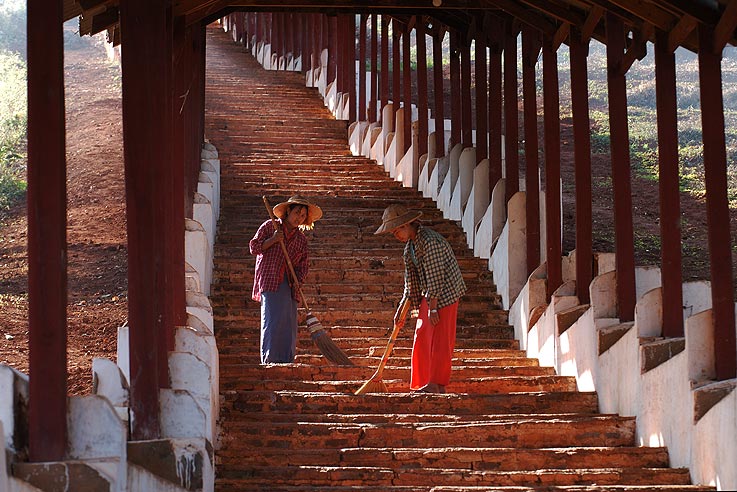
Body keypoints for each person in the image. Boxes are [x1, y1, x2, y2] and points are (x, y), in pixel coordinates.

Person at [375, 204, 466, 393]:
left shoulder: (431, 242)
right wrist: (402, 308)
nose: (396, 235)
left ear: (408, 224)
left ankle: (436, 384)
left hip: (447, 292)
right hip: (430, 293)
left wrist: (433, 308)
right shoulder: (409, 249)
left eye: (398, 230)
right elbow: (411, 282)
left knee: (441, 339)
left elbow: (436, 276)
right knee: (422, 333)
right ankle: (423, 381)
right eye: (393, 232)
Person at [250, 195, 322, 364]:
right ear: (288, 211)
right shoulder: (270, 226)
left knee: (289, 322)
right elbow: (254, 247)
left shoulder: (301, 240)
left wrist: (299, 280)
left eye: (303, 215)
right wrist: (273, 240)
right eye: (297, 212)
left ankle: (286, 359)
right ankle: (270, 359)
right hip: (271, 279)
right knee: (273, 319)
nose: (299, 218)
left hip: (290, 284)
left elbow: (303, 265)